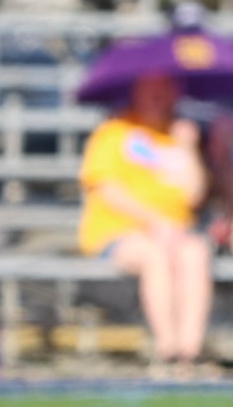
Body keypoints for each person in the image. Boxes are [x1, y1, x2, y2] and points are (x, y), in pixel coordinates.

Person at [79, 74, 213, 373]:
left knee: (196, 252)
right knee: (155, 255)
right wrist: (155, 223)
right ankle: (167, 350)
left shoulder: (179, 136)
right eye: (151, 89)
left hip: (175, 232)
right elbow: (105, 189)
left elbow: (195, 194)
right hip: (119, 232)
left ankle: (190, 352)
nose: (158, 96)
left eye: (165, 89)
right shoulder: (114, 132)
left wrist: (189, 147)